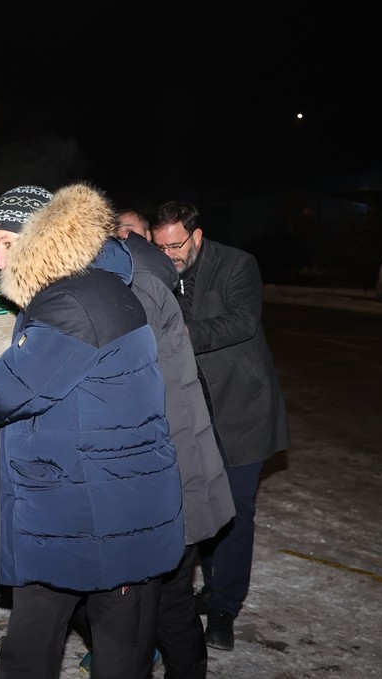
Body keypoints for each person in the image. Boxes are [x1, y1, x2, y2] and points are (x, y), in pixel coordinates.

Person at [0, 183, 185, 679]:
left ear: (42, 236)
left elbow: (7, 391)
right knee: (50, 640)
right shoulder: (93, 285)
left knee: (106, 654)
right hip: (88, 503)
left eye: (7, 242)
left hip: (99, 515)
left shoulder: (71, 301)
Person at [77, 218, 238, 678]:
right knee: (160, 599)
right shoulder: (136, 280)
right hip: (164, 471)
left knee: (153, 604)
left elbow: (122, 384)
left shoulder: (134, 292)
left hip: (163, 474)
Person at [151, 200, 290, 652]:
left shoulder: (237, 265)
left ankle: (226, 606)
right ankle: (210, 588)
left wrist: (182, 333)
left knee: (237, 512)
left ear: (197, 236)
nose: (169, 254)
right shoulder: (160, 268)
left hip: (242, 409)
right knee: (202, 503)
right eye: (161, 245)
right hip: (193, 411)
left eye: (176, 246)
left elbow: (243, 321)